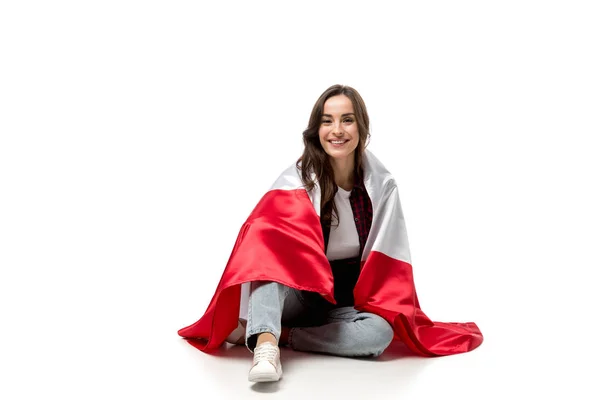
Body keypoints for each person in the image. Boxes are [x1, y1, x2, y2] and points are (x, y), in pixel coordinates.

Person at [178, 84, 483, 383]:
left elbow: (388, 261)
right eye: (327, 121)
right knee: (267, 260)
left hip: (344, 300)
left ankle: (272, 334)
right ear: (317, 130)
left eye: (347, 120)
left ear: (361, 128)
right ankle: (266, 347)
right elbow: (260, 240)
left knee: (379, 335)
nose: (337, 130)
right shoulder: (295, 182)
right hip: (298, 292)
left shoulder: (381, 185)